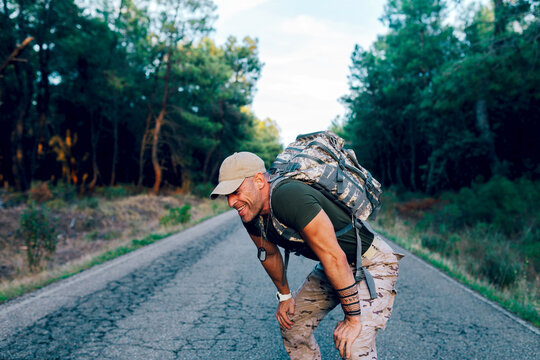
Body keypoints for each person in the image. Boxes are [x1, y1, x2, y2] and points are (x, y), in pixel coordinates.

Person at [211, 151, 402, 360]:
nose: (231, 202)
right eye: (227, 196)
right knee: (293, 327)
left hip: (370, 262)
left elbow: (334, 257)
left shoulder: (288, 196)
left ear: (258, 180)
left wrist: (353, 319)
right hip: (333, 265)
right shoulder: (250, 213)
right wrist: (284, 296)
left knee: (353, 346)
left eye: (236, 192)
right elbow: (269, 253)